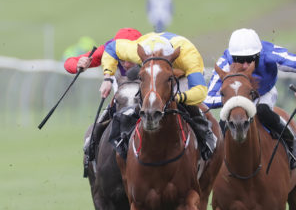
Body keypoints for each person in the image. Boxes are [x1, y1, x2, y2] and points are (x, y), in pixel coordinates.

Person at [101, 32, 217, 160]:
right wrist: (107, 77)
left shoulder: (189, 56)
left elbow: (200, 91)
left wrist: (177, 98)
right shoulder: (135, 50)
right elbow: (111, 48)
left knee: (188, 104)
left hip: (181, 74)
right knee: (139, 98)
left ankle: (205, 135)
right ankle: (121, 138)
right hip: (152, 73)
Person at [205, 28, 296, 168]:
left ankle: (292, 142)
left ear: (259, 54)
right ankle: (214, 161)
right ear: (232, 57)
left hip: (264, 93)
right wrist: (232, 100)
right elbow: (208, 99)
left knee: (263, 111)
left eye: (251, 59)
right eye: (240, 60)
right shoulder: (225, 61)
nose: (246, 65)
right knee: (223, 122)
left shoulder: (270, 54)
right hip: (235, 98)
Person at [66, 28, 142, 176]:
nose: (125, 64)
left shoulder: (150, 51)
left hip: (148, 106)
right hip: (118, 106)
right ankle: (93, 167)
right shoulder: (107, 50)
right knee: (91, 136)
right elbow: (70, 63)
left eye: (130, 58)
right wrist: (78, 64)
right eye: (121, 58)